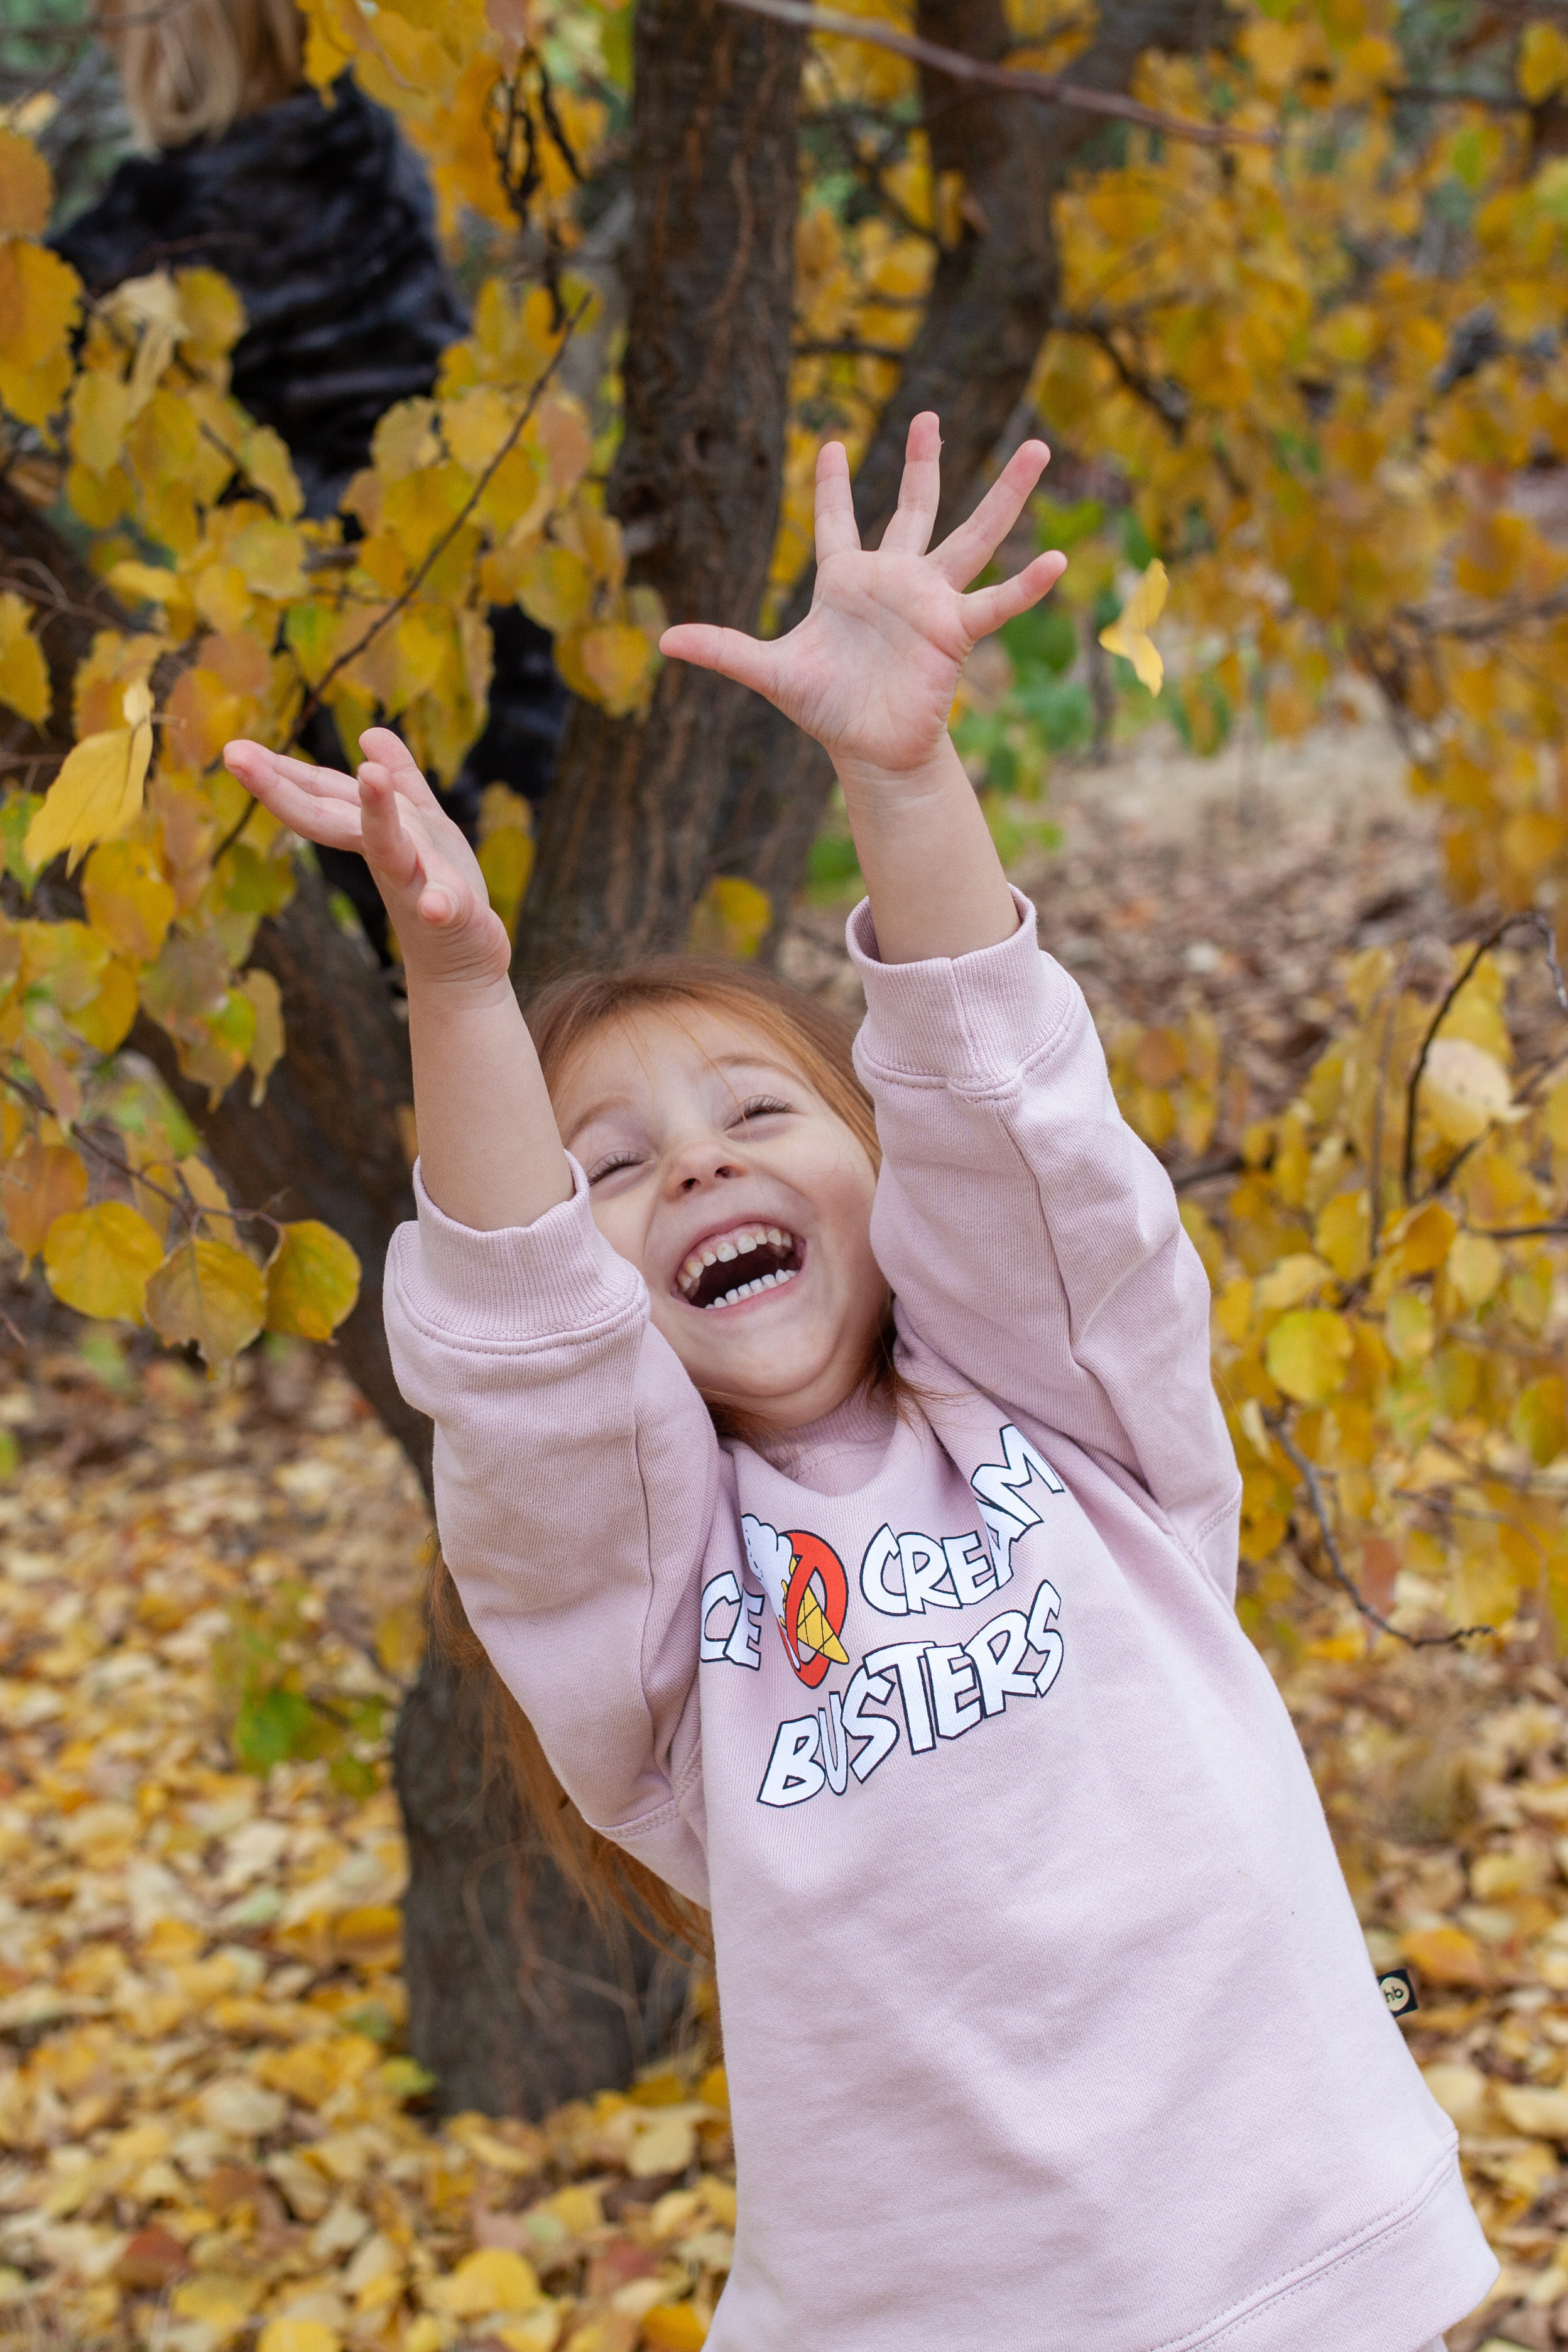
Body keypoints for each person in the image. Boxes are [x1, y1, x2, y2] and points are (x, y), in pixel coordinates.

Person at [224, 415, 1496, 2352]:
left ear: (881, 1171)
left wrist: (900, 776)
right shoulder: (658, 1627)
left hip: (1291, 2256)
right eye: (615, 1172)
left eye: (756, 1111)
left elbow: (1017, 1133)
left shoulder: (1073, 1423)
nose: (700, 1168)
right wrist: (462, 993)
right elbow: (533, 1381)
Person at [56, 0, 564, 954]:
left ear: (166, 50)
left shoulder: (170, 212)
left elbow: (34, 322)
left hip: (352, 620)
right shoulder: (362, 138)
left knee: (438, 943)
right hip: (492, 570)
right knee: (532, 918)